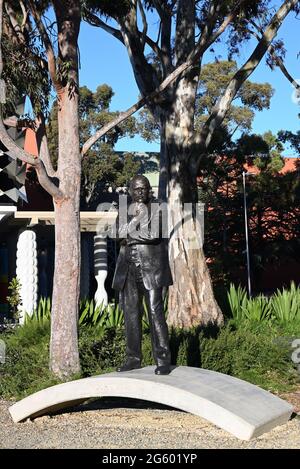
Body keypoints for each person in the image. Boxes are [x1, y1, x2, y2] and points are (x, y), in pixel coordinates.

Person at [112, 175, 172, 375]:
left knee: (155, 313)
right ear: (130, 191)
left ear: (149, 190)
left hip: (151, 269)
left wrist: (129, 235)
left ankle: (163, 360)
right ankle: (133, 358)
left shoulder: (158, 208)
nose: (140, 193)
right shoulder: (123, 209)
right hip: (128, 269)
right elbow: (116, 233)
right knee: (130, 314)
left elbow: (153, 234)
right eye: (136, 189)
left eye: (143, 189)